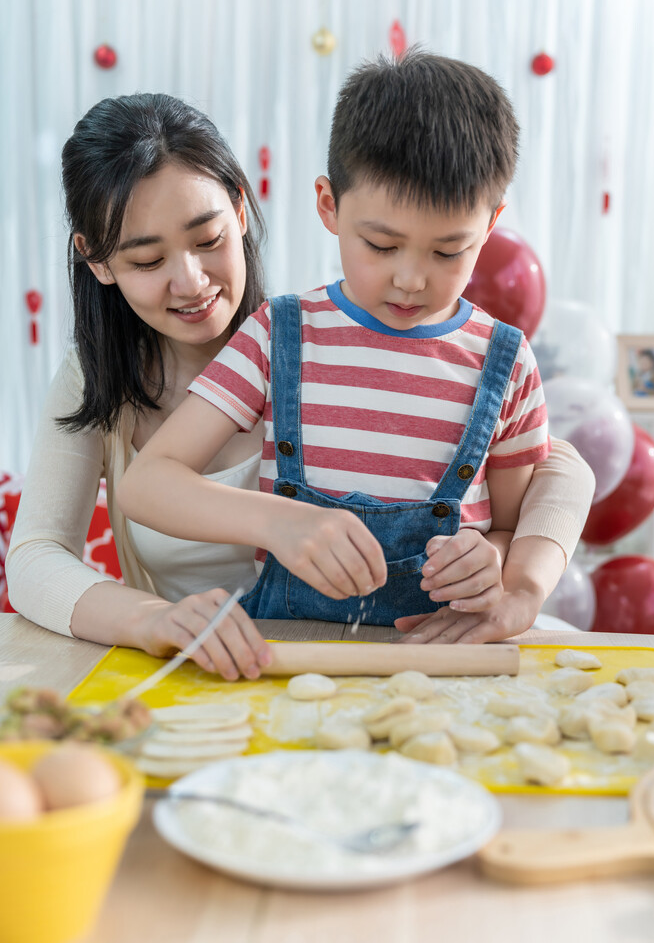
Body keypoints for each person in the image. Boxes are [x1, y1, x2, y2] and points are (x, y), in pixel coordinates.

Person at [118, 52, 594, 646]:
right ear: (329, 206)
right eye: (381, 244)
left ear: (492, 225)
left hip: (439, 662)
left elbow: (509, 526)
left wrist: (492, 565)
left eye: (449, 252)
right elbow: (146, 484)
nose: (412, 279)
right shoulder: (281, 334)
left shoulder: (505, 362)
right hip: (291, 657)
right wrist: (282, 523)